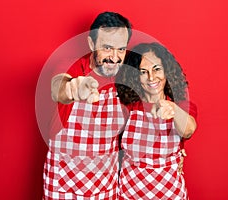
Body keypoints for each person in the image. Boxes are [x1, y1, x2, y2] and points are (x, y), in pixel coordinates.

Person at [43, 11, 132, 199]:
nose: (115, 57)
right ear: (92, 44)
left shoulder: (125, 77)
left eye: (121, 49)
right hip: (63, 184)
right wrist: (72, 89)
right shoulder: (71, 66)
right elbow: (58, 86)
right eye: (107, 48)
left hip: (104, 186)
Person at [115, 42, 197, 199]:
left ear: (167, 70)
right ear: (135, 76)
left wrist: (172, 108)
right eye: (143, 72)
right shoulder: (127, 107)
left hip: (170, 193)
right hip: (130, 192)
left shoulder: (181, 105)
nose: (151, 77)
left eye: (156, 69)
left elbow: (189, 129)